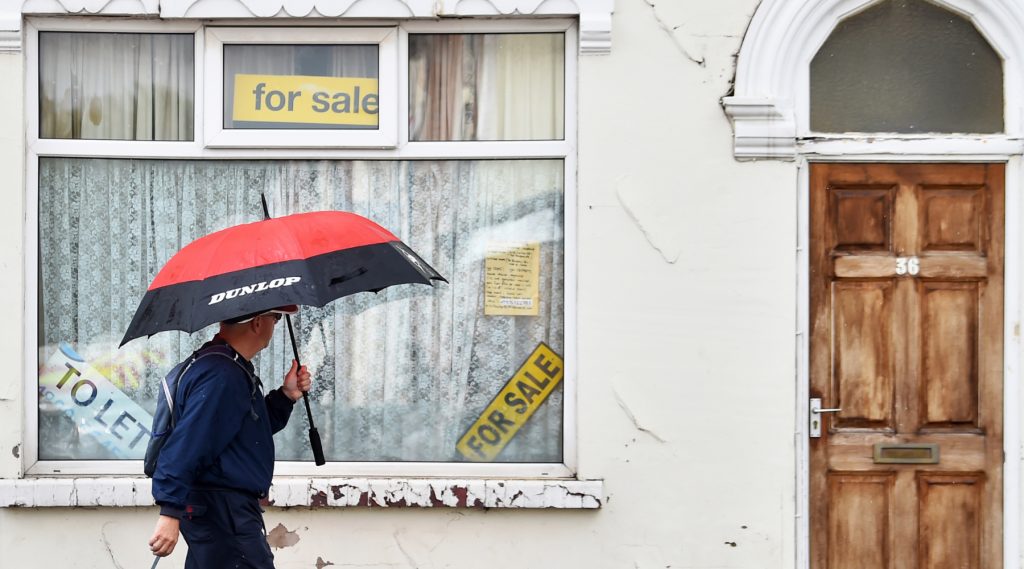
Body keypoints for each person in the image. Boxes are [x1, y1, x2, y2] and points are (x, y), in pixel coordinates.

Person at [147, 305, 312, 568]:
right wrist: (170, 511)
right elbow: (187, 444)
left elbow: (243, 433)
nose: (276, 324)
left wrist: (286, 395)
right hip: (223, 511)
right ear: (257, 322)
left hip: (221, 510)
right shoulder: (221, 374)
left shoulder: (225, 366)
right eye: (276, 317)